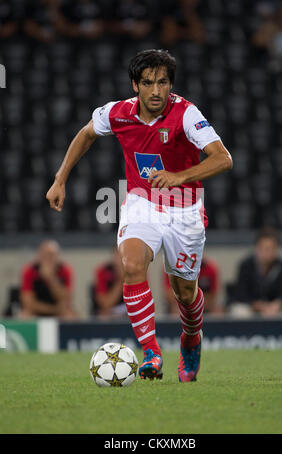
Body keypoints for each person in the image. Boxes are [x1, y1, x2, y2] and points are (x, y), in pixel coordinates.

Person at [46, 49, 232, 382]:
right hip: (142, 202)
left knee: (184, 294)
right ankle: (151, 352)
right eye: (148, 83)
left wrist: (180, 176)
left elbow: (223, 158)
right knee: (131, 266)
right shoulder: (117, 113)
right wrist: (60, 179)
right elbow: (86, 133)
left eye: (163, 82)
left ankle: (191, 338)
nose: (156, 91)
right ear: (136, 85)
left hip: (185, 209)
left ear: (171, 85)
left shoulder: (186, 114)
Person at [232, 228, 282, 317]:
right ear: (257, 248)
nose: (269, 252)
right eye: (266, 248)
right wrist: (257, 305)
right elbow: (240, 294)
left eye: (272, 248)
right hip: (251, 307)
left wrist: (277, 304)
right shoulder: (246, 265)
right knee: (239, 311)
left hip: (273, 308)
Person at [19, 240, 76, 319]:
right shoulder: (29, 271)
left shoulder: (65, 270)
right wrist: (52, 310)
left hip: (59, 311)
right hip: (37, 310)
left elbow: (67, 299)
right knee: (24, 316)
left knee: (69, 316)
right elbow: (28, 302)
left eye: (51, 255)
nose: (48, 258)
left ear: (57, 256)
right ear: (39, 255)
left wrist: (50, 279)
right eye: (45, 254)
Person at [93, 247, 126, 318]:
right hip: (109, 311)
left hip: (127, 311)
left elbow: (140, 302)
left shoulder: (137, 271)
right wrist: (121, 280)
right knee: (103, 316)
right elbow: (104, 304)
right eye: (118, 255)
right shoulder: (103, 271)